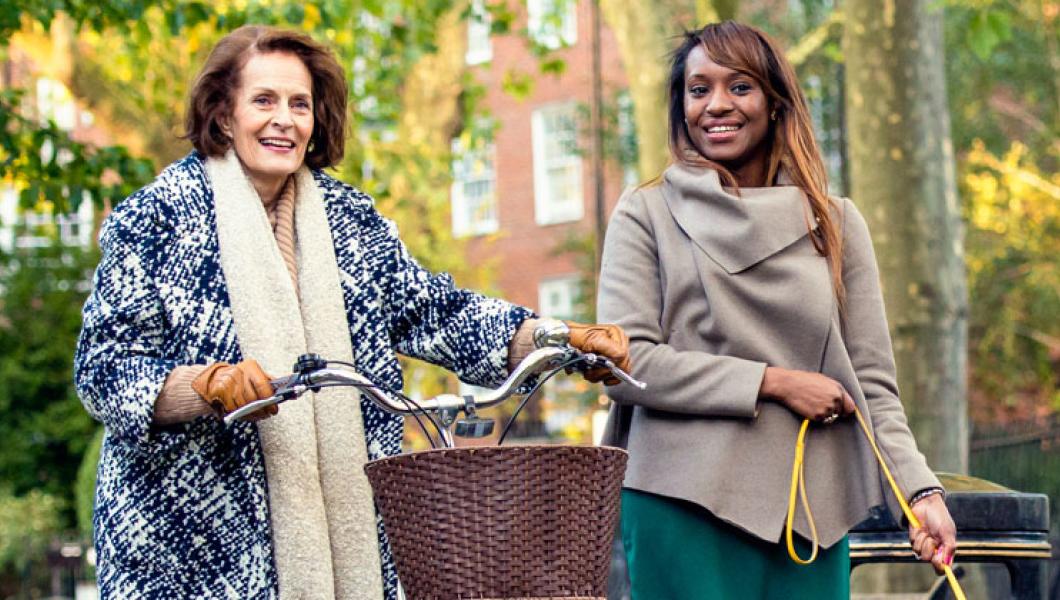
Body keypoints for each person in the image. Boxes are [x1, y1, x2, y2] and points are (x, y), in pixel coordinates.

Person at [74, 25, 630, 600]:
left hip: (352, 532)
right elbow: (103, 369)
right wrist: (206, 385)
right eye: (263, 100)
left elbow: (434, 310)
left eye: (300, 104)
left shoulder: (349, 218)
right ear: (222, 114)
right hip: (189, 545)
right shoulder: (154, 218)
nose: (284, 119)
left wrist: (553, 336)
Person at [597, 21, 956, 598]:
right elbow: (625, 362)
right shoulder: (646, 214)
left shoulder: (834, 223)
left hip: (807, 508)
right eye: (698, 89)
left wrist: (921, 494)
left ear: (774, 102)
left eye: (739, 87)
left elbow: (870, 383)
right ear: (680, 105)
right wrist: (774, 382)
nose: (717, 104)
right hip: (680, 498)